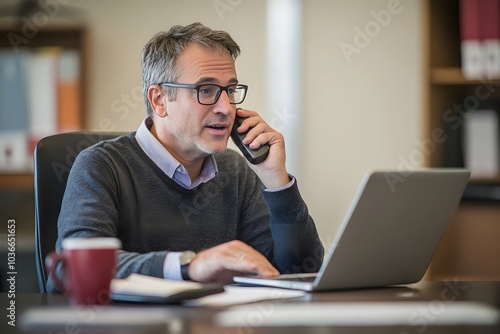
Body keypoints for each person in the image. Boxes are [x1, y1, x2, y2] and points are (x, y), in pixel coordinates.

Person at [48, 22, 323, 292]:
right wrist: (188, 266)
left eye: (229, 90)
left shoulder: (235, 170)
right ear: (159, 100)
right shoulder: (101, 166)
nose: (226, 108)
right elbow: (74, 270)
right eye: (206, 90)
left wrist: (277, 182)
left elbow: (299, 273)